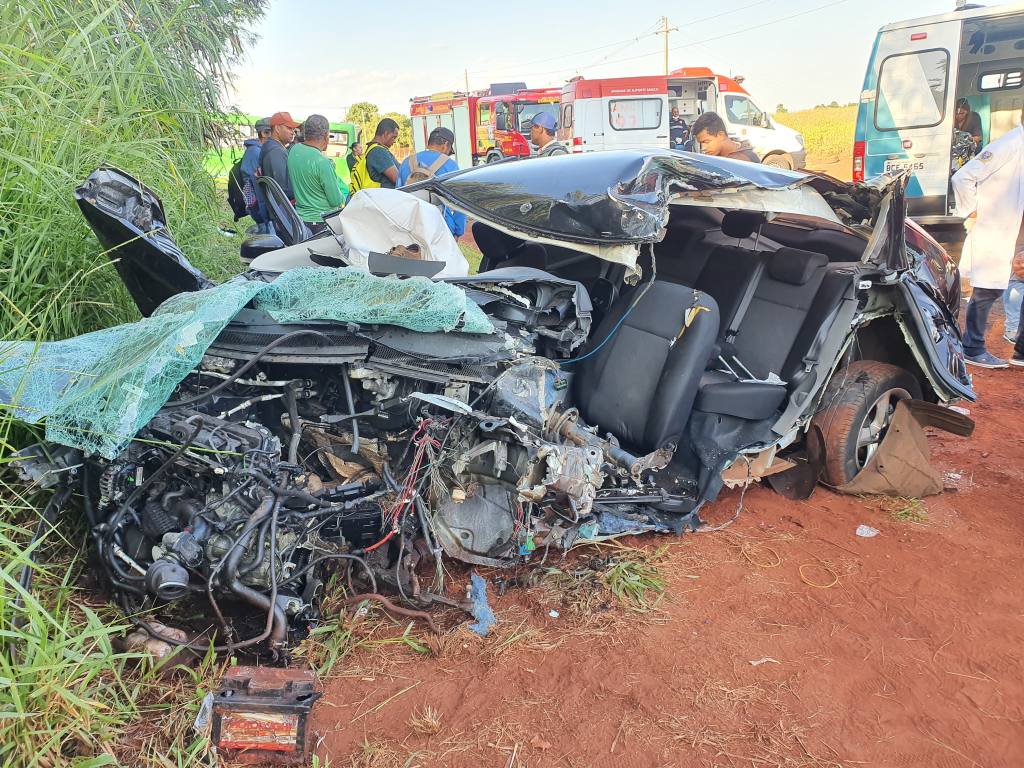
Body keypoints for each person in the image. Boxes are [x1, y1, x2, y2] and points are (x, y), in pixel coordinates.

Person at [951, 108, 1024, 368]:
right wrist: (970, 210)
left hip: (1010, 229)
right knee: (987, 289)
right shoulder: (1009, 144)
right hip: (995, 227)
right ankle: (972, 347)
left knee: (997, 287)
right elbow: (963, 176)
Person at [397, 126, 466, 237]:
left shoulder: (406, 162)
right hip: (440, 228)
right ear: (445, 145)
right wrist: (458, 231)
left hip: (410, 227)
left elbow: (398, 196)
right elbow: (460, 203)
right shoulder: (451, 165)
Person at [286, 114, 344, 234]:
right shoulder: (323, 162)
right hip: (322, 223)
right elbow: (335, 201)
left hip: (300, 221)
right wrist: (343, 194)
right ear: (326, 136)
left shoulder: (294, 151)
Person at [350, 118, 400, 192]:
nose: (395, 141)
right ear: (386, 134)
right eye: (394, 137)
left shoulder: (372, 149)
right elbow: (398, 179)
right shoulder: (378, 151)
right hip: (384, 200)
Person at [241, 117, 273, 233]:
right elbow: (257, 185)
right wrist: (265, 214)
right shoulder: (255, 152)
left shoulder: (258, 150)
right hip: (259, 209)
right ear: (265, 133)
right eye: (272, 132)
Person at [260, 111, 300, 201]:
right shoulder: (276, 151)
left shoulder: (272, 146)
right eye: (289, 128)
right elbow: (283, 189)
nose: (293, 132)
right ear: (277, 128)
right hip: (281, 209)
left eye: (293, 129)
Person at [691, 112, 759, 162]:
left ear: (721, 135)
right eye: (701, 143)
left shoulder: (742, 160)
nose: (703, 148)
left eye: (706, 142)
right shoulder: (718, 154)